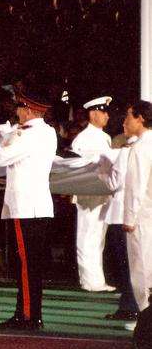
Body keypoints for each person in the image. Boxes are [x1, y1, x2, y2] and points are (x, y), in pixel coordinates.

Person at [0, 93, 57, 330]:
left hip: (24, 207)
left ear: (28, 111)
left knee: (26, 265)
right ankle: (28, 312)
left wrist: (9, 136)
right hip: (40, 205)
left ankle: (28, 315)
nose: (17, 113)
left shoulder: (25, 135)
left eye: (20, 109)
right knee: (33, 264)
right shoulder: (49, 132)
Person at [71, 96, 116, 292]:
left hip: (102, 192)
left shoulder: (103, 137)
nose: (107, 115)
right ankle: (89, 280)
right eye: (103, 111)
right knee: (88, 235)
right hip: (88, 192)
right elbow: (78, 167)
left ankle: (97, 279)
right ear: (93, 113)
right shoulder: (84, 138)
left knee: (98, 237)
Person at [97, 120, 139, 321]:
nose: (123, 123)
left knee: (124, 264)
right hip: (137, 213)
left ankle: (129, 305)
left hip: (120, 213)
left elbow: (114, 182)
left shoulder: (126, 150)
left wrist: (102, 171)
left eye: (128, 118)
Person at [122, 100, 152, 331]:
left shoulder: (141, 147)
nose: (125, 121)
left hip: (143, 218)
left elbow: (135, 187)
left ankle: (145, 322)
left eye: (129, 116)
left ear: (141, 118)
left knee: (142, 270)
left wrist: (129, 219)